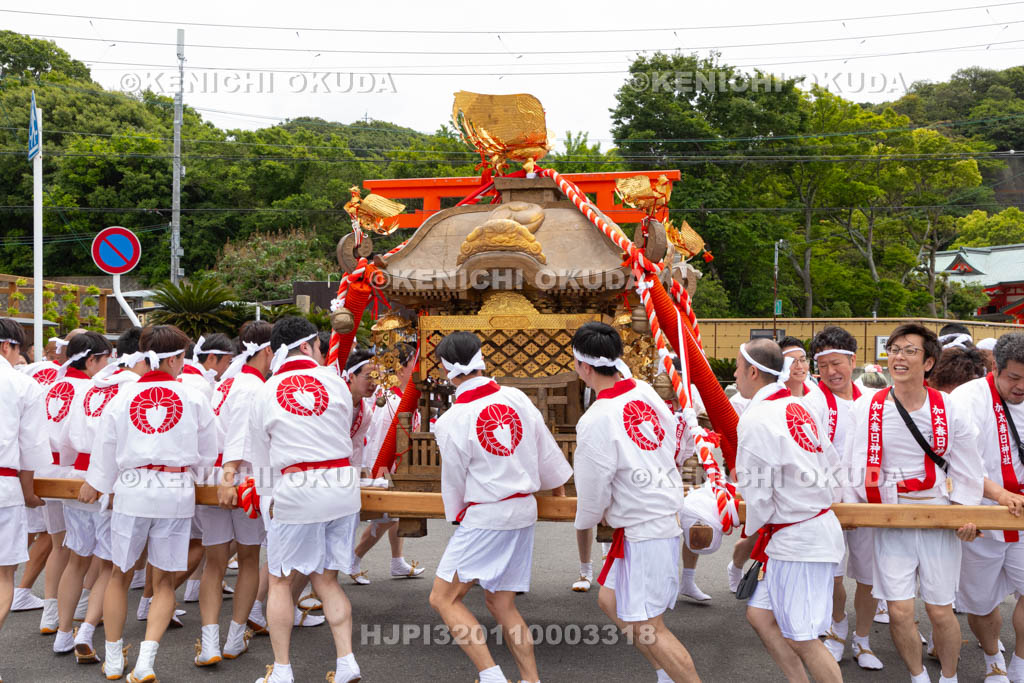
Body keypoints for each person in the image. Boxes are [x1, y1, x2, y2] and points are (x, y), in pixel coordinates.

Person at [845, 323, 986, 683]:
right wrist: (857, 508)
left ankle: (950, 676)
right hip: (892, 519)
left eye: (910, 350)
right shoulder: (869, 407)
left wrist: (967, 514)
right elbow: (855, 463)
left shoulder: (948, 407)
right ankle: (918, 675)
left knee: (940, 612)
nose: (899, 357)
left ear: (928, 363)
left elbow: (969, 465)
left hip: (937, 514)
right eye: (894, 349)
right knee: (899, 611)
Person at [429, 331, 572, 683]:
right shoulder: (517, 398)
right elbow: (546, 453)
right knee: (502, 603)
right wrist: (559, 492)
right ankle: (531, 679)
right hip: (523, 510)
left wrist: (457, 514)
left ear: (447, 370)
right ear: (481, 358)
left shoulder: (450, 421)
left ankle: (491, 675)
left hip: (487, 513)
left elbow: (455, 480)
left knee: (443, 598)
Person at [81, 324, 220, 682]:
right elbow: (208, 453)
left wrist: (96, 484)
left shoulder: (122, 397)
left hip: (132, 487)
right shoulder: (194, 397)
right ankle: (145, 661)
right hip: (175, 489)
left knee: (119, 574)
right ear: (175, 358)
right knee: (162, 581)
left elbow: (105, 450)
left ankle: (113, 659)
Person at [571, 321, 699, 683]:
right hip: (657, 519)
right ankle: (665, 674)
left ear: (583, 367)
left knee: (650, 624)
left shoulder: (595, 419)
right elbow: (677, 443)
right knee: (610, 601)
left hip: (644, 530)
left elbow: (594, 490)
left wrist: (585, 520)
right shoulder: (643, 390)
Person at [248, 316, 363, 683]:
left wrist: (268, 504)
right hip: (342, 486)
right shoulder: (336, 382)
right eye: (318, 345)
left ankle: (282, 669)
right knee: (327, 580)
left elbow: (260, 457)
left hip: (296, 489)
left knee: (281, 581)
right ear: (307, 346)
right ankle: (347, 662)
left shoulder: (265, 390)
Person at [733, 338, 844, 683]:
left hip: (799, 539)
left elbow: (758, 494)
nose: (735, 375)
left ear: (753, 372)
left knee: (804, 637)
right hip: (803, 530)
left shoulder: (756, 420)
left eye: (737, 368)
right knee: (760, 615)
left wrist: (739, 518)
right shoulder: (797, 405)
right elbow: (832, 461)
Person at [194, 320, 274, 666]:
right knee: (248, 559)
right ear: (269, 350)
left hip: (213, 474)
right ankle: (233, 637)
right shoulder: (253, 386)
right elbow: (240, 434)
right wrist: (230, 476)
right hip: (240, 477)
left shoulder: (226, 380)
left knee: (214, 563)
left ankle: (212, 641)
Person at [803, 326, 883, 670]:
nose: (831, 372)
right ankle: (837, 628)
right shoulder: (810, 402)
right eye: (823, 366)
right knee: (833, 574)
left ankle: (862, 641)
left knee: (867, 574)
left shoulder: (874, 400)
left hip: (868, 499)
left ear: (853, 361)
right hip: (828, 502)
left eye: (837, 363)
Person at [951, 333, 1024, 683]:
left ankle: (1021, 663)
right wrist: (998, 495)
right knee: (979, 602)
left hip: (1023, 510)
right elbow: (961, 462)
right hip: (980, 509)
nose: (1022, 386)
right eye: (1014, 377)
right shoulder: (966, 398)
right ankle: (993, 657)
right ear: (995, 367)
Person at [50, 332, 117, 660]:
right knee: (107, 564)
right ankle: (87, 630)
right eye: (107, 358)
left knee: (76, 559)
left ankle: (63, 632)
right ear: (94, 359)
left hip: (74, 477)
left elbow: (63, 439)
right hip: (104, 479)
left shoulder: (82, 389)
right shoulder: (118, 389)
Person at [351, 342, 425, 583]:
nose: (419, 366)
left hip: (398, 465)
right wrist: (378, 474)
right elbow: (378, 442)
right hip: (384, 466)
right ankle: (353, 558)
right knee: (385, 517)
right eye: (415, 361)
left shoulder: (405, 396)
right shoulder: (389, 399)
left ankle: (397, 561)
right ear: (402, 368)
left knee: (395, 515)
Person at [0, 319, 49, 683]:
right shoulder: (21, 384)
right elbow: (31, 448)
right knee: (3, 576)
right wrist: (31, 493)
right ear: (7, 347)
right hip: (4, 486)